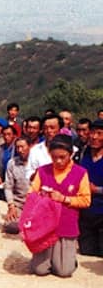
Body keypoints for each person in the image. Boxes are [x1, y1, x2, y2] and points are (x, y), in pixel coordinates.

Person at [28, 135, 91, 277]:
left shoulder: (81, 173)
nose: (58, 161)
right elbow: (31, 195)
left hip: (66, 225)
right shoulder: (42, 171)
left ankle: (70, 260)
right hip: (45, 226)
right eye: (54, 157)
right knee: (40, 270)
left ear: (71, 154)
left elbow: (86, 200)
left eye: (63, 157)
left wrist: (64, 199)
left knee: (63, 271)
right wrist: (41, 198)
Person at [78, 119, 103, 256]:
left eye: (99, 133)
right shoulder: (84, 153)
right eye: (92, 133)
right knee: (87, 252)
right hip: (86, 213)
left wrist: (97, 190)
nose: (94, 137)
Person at [2, 137, 31, 234]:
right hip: (18, 204)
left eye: (22, 147)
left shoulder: (38, 163)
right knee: (11, 227)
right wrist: (11, 206)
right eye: (17, 147)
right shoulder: (12, 163)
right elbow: (8, 186)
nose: (20, 150)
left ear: (30, 147)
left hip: (35, 204)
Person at [26, 114, 63, 180]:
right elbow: (29, 174)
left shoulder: (72, 150)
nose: (49, 131)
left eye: (52, 128)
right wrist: (36, 174)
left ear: (60, 129)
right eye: (45, 128)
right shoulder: (35, 151)